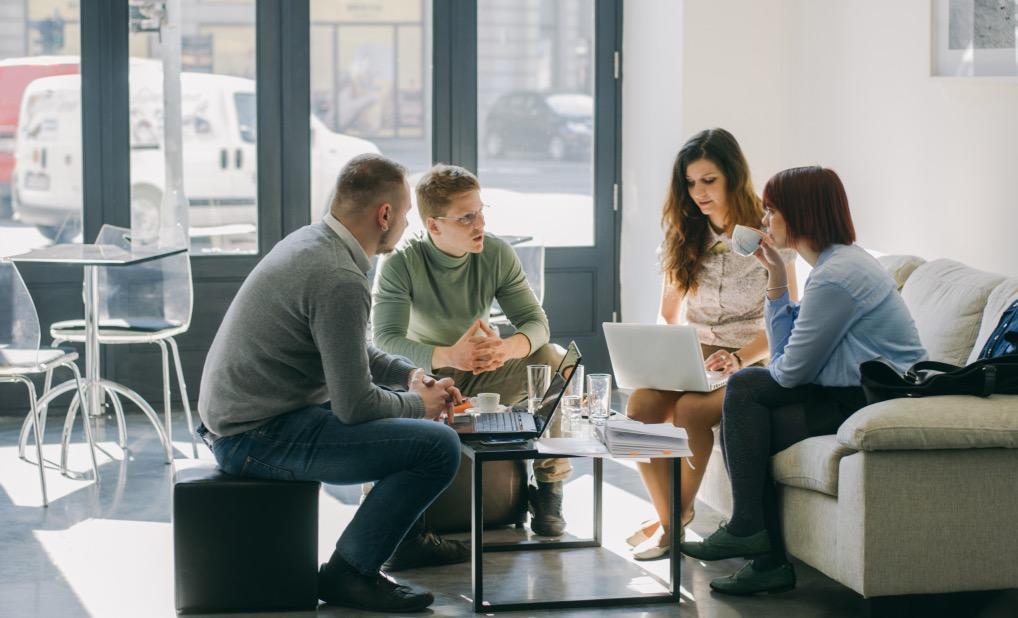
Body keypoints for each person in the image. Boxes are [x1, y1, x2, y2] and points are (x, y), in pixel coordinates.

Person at [196, 154, 466, 613]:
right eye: (404, 215)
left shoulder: (316, 243)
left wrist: (409, 376)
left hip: (247, 418)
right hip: (254, 437)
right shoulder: (340, 277)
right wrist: (419, 404)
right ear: (384, 215)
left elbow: (350, 351)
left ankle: (398, 543)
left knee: (418, 432)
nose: (405, 226)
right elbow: (355, 406)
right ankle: (350, 573)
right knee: (437, 447)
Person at [680, 166, 927, 594]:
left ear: (800, 213)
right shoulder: (833, 265)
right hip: (853, 391)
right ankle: (765, 559)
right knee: (753, 419)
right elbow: (788, 355)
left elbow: (789, 370)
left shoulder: (837, 276)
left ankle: (753, 539)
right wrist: (776, 278)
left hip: (877, 399)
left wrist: (763, 358)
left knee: (745, 390)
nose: (764, 220)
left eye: (771, 210)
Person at [624, 128, 797, 560]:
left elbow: (787, 319)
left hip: (751, 356)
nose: (698, 192)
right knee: (639, 409)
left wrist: (738, 357)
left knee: (690, 411)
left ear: (732, 177)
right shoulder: (685, 233)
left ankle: (670, 527)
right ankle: (673, 519)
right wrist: (663, 354)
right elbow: (669, 313)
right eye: (690, 182)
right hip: (695, 351)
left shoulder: (769, 232)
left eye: (709, 180)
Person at [372, 163, 571, 539]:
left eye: (481, 212)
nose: (479, 224)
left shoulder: (496, 253)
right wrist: (449, 355)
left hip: (484, 371)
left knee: (555, 360)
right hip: (425, 378)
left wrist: (506, 348)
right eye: (466, 218)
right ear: (434, 225)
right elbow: (385, 341)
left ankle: (549, 491)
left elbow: (536, 323)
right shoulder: (400, 262)